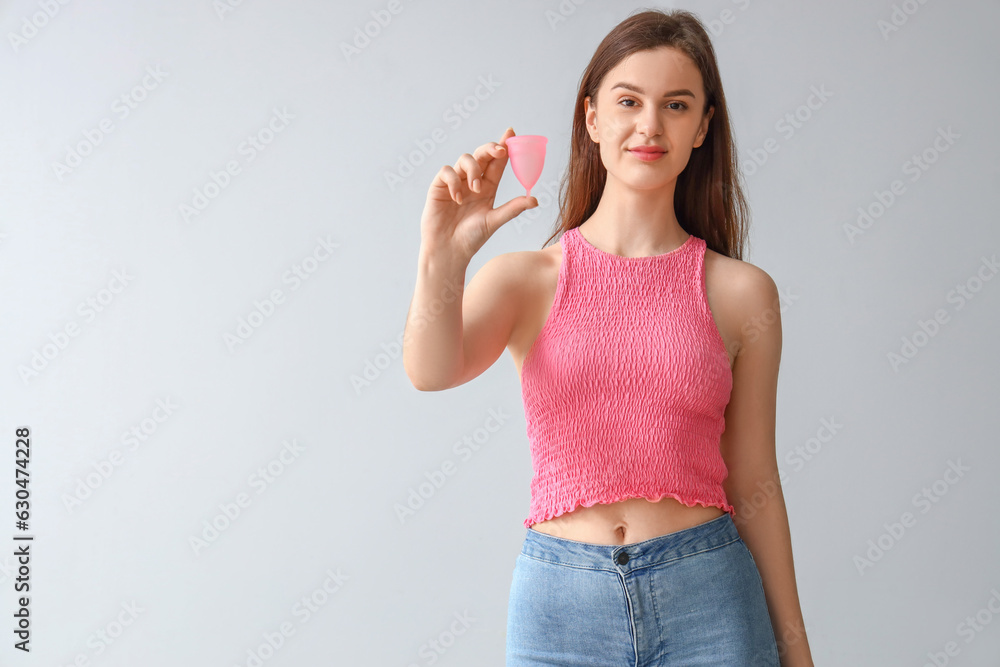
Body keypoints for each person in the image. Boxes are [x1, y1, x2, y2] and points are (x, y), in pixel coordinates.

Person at [403, 8, 813, 666]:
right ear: (592, 118)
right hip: (560, 604)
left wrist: (796, 649)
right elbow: (430, 368)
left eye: (676, 105)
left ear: (702, 126)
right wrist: (442, 256)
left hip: (708, 594)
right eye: (629, 101)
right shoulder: (526, 279)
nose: (650, 125)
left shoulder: (741, 292)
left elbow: (756, 478)